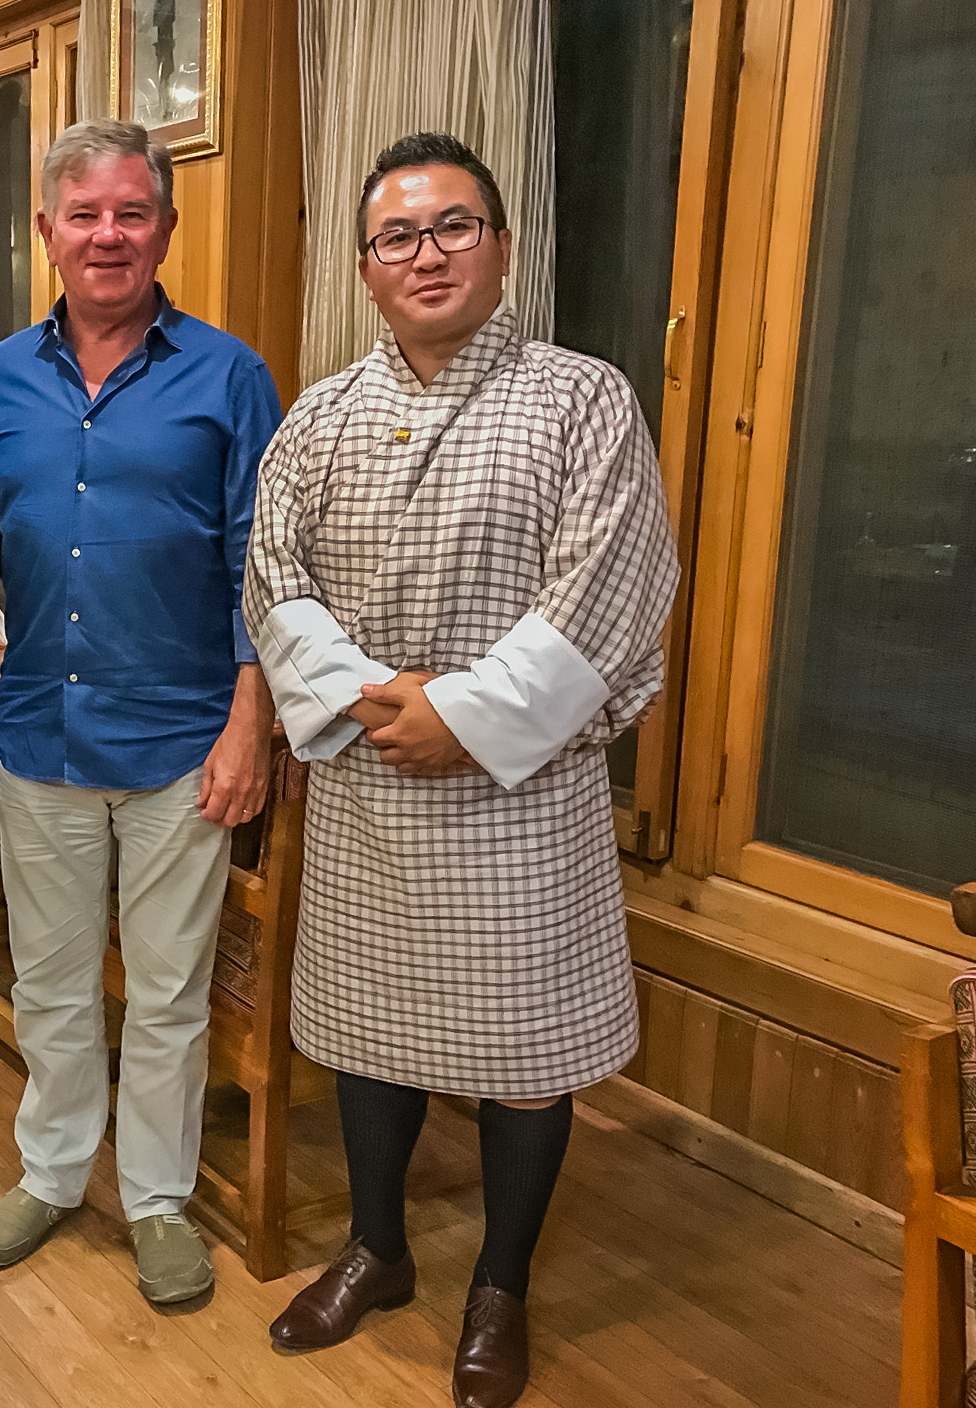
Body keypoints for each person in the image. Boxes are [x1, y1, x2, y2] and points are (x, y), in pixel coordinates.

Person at [243, 132, 679, 1407]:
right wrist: (391, 709)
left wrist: (471, 714)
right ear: (366, 266)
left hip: (521, 794)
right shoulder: (320, 418)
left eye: (452, 227)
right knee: (369, 1038)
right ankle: (377, 1248)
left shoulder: (582, 398)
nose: (425, 253)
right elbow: (275, 581)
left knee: (523, 1053)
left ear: (500, 245)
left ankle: (501, 1281)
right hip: (375, 782)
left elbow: (610, 589)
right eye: (398, 235)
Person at [0, 118, 280, 1305]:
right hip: (41, 737)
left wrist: (249, 721)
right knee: (51, 981)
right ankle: (55, 1173)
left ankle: (158, 1197)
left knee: (167, 991)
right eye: (84, 214)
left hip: (183, 743)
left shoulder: (230, 375)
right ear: (47, 232)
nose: (107, 234)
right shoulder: (0, 377)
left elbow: (261, 565)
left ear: (164, 227)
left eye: (131, 212)